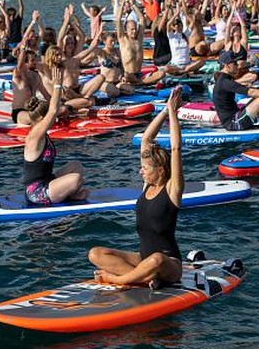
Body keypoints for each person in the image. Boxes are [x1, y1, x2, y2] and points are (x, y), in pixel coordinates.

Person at [88, 87, 184, 287]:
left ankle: (119, 279)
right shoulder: (146, 186)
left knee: (156, 259)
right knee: (95, 254)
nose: (141, 172)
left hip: (169, 264)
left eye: (145, 168)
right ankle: (145, 277)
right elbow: (146, 140)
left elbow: (175, 148)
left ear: (160, 170)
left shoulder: (172, 189)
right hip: (142, 259)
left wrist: (174, 115)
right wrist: (165, 110)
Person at [23, 67, 88, 206]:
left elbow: (52, 112)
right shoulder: (34, 135)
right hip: (37, 192)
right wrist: (57, 85)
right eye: (50, 118)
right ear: (42, 118)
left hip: (47, 181)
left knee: (76, 166)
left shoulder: (42, 133)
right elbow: (52, 111)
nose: (54, 119)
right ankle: (71, 195)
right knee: (76, 179)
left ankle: (69, 194)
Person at [213, 51, 259, 131]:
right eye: (235, 63)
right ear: (227, 66)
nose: (238, 65)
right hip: (233, 123)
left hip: (236, 117)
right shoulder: (225, 82)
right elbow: (251, 92)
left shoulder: (224, 79)